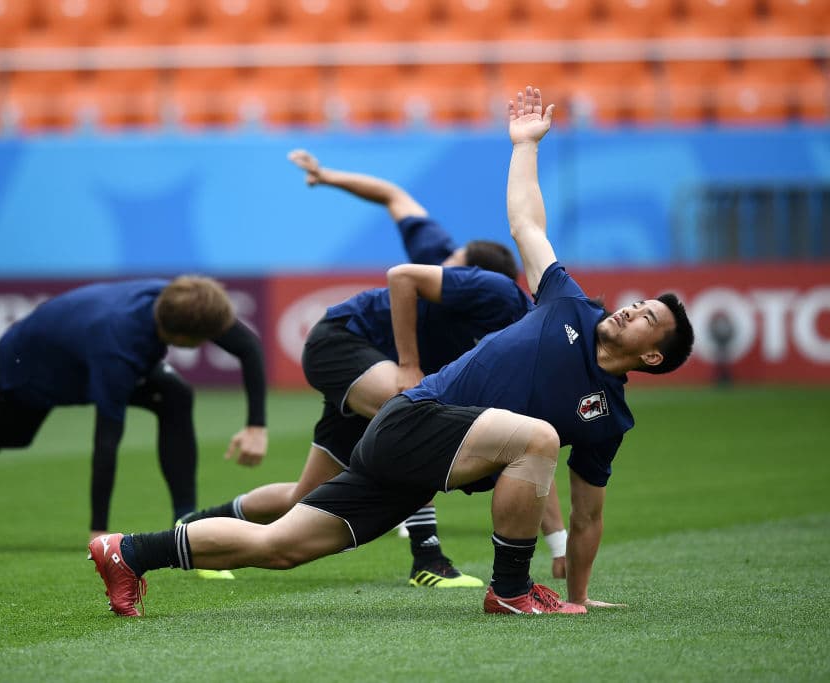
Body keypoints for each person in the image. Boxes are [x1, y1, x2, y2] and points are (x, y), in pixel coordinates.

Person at [87, 86, 695, 617]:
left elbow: (588, 518)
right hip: (414, 420)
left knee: (282, 546)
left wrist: (581, 597)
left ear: (651, 359)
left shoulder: (607, 417)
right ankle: (509, 589)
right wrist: (526, 145)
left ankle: (130, 552)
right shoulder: (567, 303)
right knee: (537, 436)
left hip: (418, 467)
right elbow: (526, 223)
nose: (632, 310)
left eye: (649, 320)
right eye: (640, 304)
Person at [174, 150, 568, 586]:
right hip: (341, 342)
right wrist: (326, 176)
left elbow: (530, 447)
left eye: (455, 267)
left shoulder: (502, 313)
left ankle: (192, 528)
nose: (443, 270)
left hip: (371, 378)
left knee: (302, 498)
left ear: (477, 280)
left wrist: (560, 545)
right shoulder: (438, 262)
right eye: (449, 264)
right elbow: (393, 195)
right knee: (414, 414)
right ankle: (428, 558)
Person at [0, 275, 268, 556]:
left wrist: (256, 426)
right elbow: (106, 440)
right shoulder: (119, 350)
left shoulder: (182, 298)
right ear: (181, 338)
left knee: (174, 395)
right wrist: (99, 530)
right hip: (28, 371)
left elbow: (247, 347)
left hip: (78, 356)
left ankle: (186, 521)